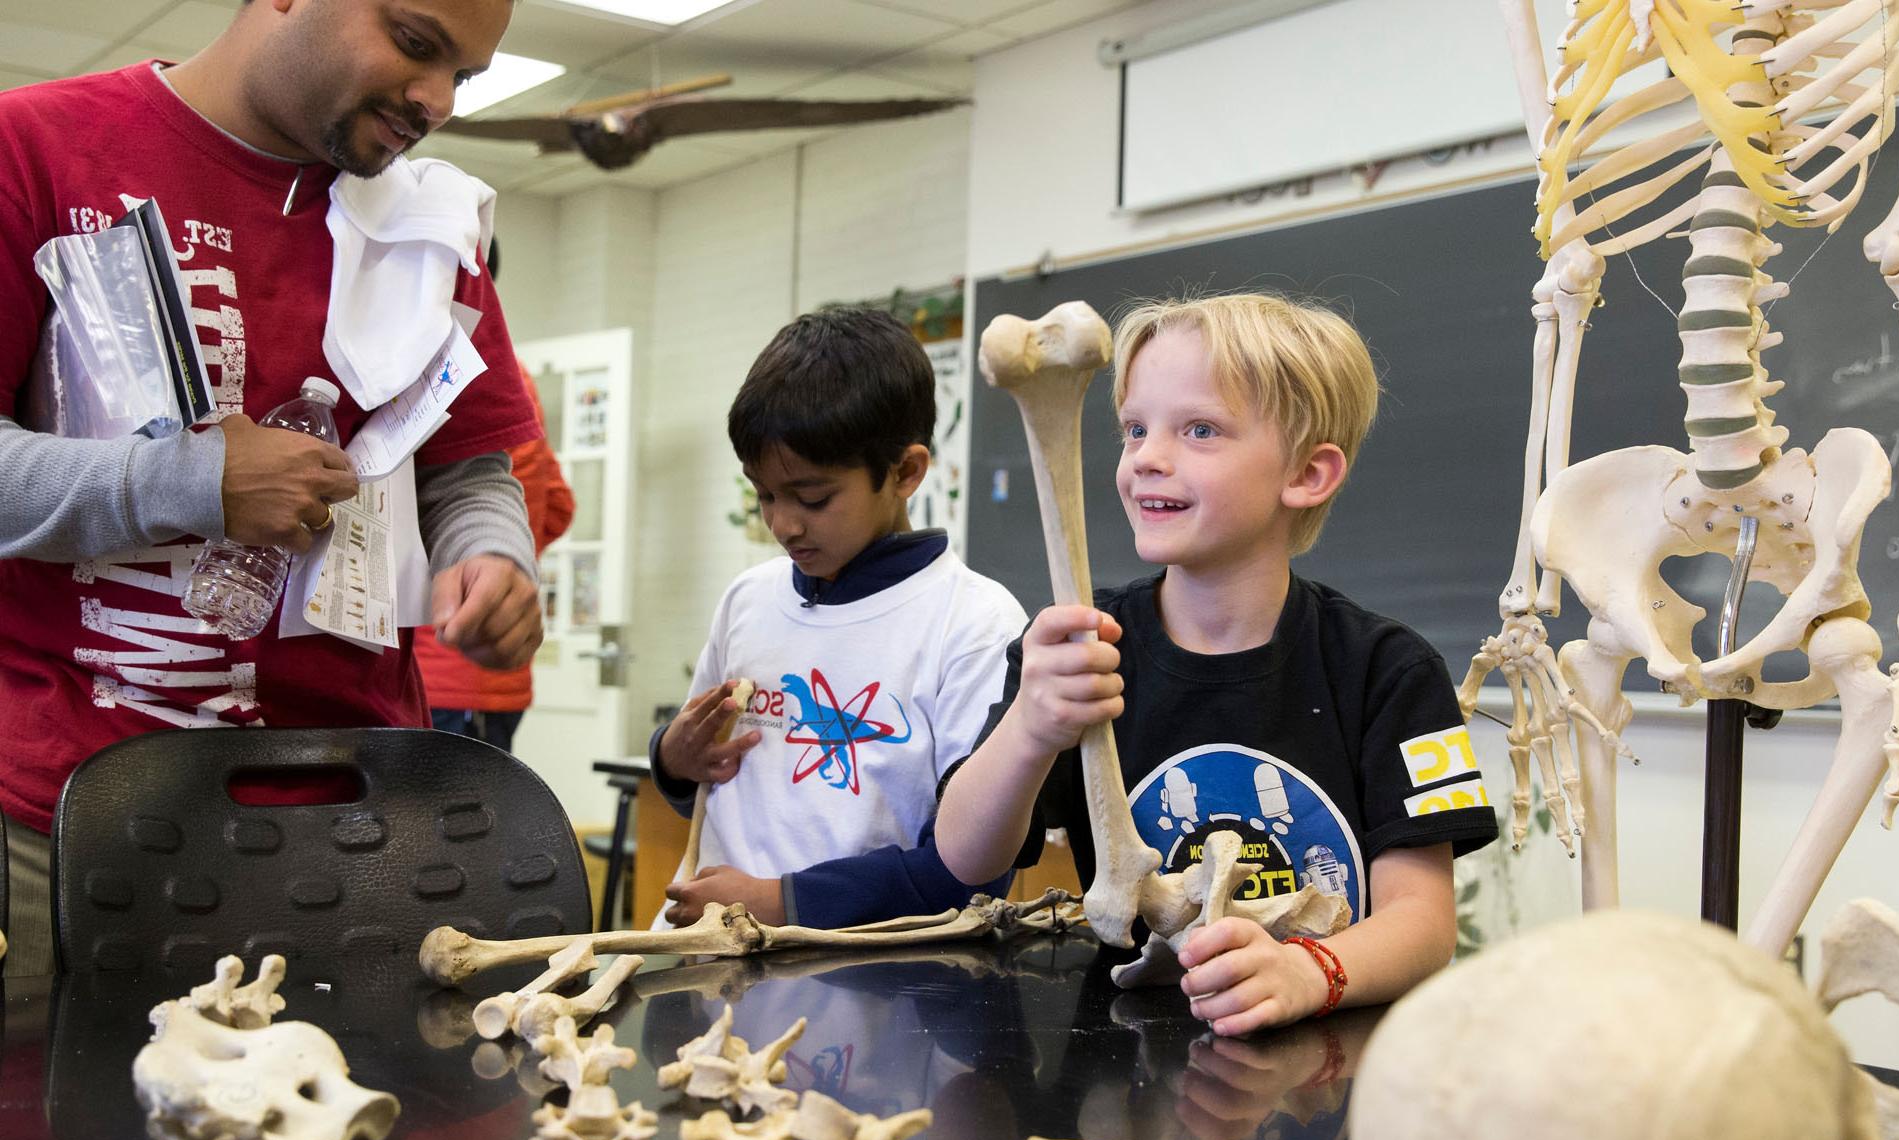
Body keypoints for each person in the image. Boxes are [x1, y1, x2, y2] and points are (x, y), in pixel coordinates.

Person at [0, 0, 543, 976]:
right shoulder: (37, 147)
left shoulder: (432, 226)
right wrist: (184, 482)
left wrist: (489, 553)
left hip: (359, 824)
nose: (435, 100)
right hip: (68, 821)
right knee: (60, 1122)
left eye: (464, 76)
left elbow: (470, 468)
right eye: (417, 44)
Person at [935, 291, 1500, 1037]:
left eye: (1199, 430)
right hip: (1122, 1075)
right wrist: (1033, 728)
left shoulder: (1387, 671)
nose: (1146, 459)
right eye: (1134, 429)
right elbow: (967, 858)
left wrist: (1309, 971)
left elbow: (1422, 924)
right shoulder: (1079, 651)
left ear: (1306, 474)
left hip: (1322, 1070)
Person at [650, 308, 1027, 930]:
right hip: (712, 973)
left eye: (813, 498)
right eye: (764, 494)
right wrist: (672, 758)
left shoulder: (976, 624)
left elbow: (968, 875)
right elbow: (702, 786)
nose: (783, 524)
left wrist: (780, 901)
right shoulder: (748, 599)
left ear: (905, 473)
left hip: (877, 986)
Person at [416, 239, 576, 752]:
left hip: (442, 665)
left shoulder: (443, 371)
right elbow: (558, 506)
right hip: (498, 673)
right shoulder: (518, 381)